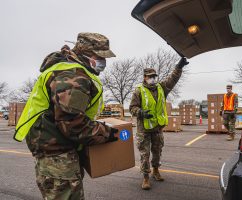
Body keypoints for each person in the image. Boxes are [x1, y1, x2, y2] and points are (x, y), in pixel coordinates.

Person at [14, 32, 119, 200]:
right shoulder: (72, 77)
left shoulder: (69, 69)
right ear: (85, 54)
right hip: (57, 155)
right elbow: (72, 124)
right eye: (99, 57)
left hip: (54, 148)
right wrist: (107, 133)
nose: (103, 62)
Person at [129, 57, 189, 190]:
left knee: (157, 151)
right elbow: (132, 108)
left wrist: (179, 67)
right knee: (145, 154)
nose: (152, 79)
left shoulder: (161, 88)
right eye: (150, 76)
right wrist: (141, 112)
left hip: (157, 128)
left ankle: (156, 171)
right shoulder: (138, 90)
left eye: (154, 76)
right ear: (144, 77)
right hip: (143, 129)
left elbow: (172, 79)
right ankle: (145, 177)